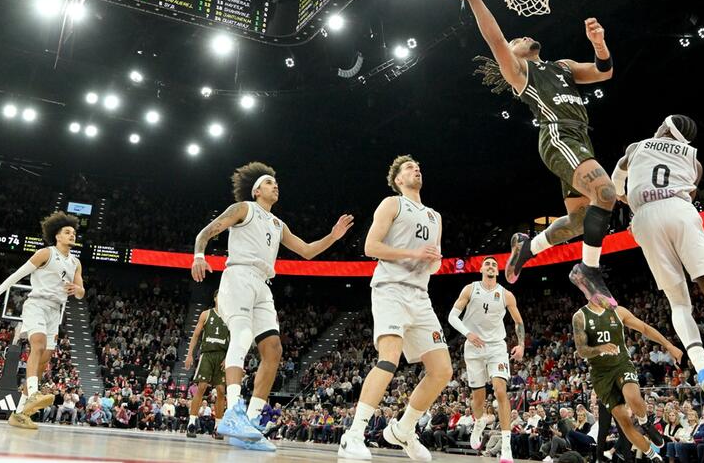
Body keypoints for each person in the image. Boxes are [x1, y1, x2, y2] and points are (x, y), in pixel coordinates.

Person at [447, 0, 618, 308]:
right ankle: (588, 269)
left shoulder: (563, 67)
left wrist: (599, 44)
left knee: (582, 221)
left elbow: (603, 72)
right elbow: (496, 40)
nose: (519, 37)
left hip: (580, 138)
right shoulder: (521, 73)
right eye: (514, 41)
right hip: (558, 135)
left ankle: (528, 247)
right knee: (606, 192)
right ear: (511, 55)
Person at [191, 161, 354, 451]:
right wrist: (199, 255)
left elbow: (306, 251)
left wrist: (333, 236)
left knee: (274, 350)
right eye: (268, 182)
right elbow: (208, 230)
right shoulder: (243, 208)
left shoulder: (279, 225)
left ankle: (251, 422)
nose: (275, 185)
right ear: (256, 191)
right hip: (238, 276)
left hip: (262, 285)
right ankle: (233, 412)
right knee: (241, 336)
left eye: (276, 183)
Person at [610, 115, 704, 413]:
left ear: (666, 128)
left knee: (679, 304)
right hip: (679, 209)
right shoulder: (695, 160)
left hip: (644, 219)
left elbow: (616, 181)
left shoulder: (636, 147)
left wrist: (626, 197)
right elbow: (689, 192)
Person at [337, 155, 452, 461]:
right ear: (399, 179)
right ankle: (354, 435)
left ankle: (403, 429)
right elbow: (370, 247)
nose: (417, 169)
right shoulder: (392, 204)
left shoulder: (435, 216)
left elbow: (436, 259)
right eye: (410, 168)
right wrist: (412, 252)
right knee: (389, 360)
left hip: (420, 294)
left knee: (442, 371)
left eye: (418, 167)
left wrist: (433, 260)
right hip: (391, 289)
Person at [0, 211, 84, 429]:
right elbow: (17, 274)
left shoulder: (76, 262)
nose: (72, 235)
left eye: (74, 232)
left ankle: (19, 414)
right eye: (67, 232)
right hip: (37, 304)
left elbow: (81, 291)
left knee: (44, 360)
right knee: (37, 345)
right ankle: (34, 393)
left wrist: (78, 289)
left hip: (56, 311)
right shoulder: (45, 253)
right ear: (57, 235)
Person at [572, 297, 683, 462]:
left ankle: (645, 422)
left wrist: (668, 345)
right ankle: (653, 456)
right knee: (624, 422)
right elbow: (581, 350)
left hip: (621, 364)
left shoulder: (618, 311)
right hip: (601, 375)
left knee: (633, 397)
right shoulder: (580, 316)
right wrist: (599, 348)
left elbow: (644, 328)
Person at [448, 256, 526, 463]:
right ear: (481, 268)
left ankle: (507, 446)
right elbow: (452, 317)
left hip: (496, 347)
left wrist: (521, 344)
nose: (491, 266)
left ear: (497, 272)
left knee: (501, 390)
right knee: (478, 398)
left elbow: (518, 322)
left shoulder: (506, 295)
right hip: (473, 347)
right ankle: (479, 422)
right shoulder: (470, 289)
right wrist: (468, 333)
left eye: (494, 265)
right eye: (488, 264)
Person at [184, 291, 228, 440]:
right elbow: (196, 335)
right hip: (207, 354)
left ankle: (218, 426)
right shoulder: (206, 314)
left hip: (222, 355)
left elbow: (235, 339)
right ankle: (191, 423)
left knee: (221, 391)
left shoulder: (230, 316)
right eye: (219, 296)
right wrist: (189, 354)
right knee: (201, 387)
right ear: (215, 298)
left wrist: (228, 357)